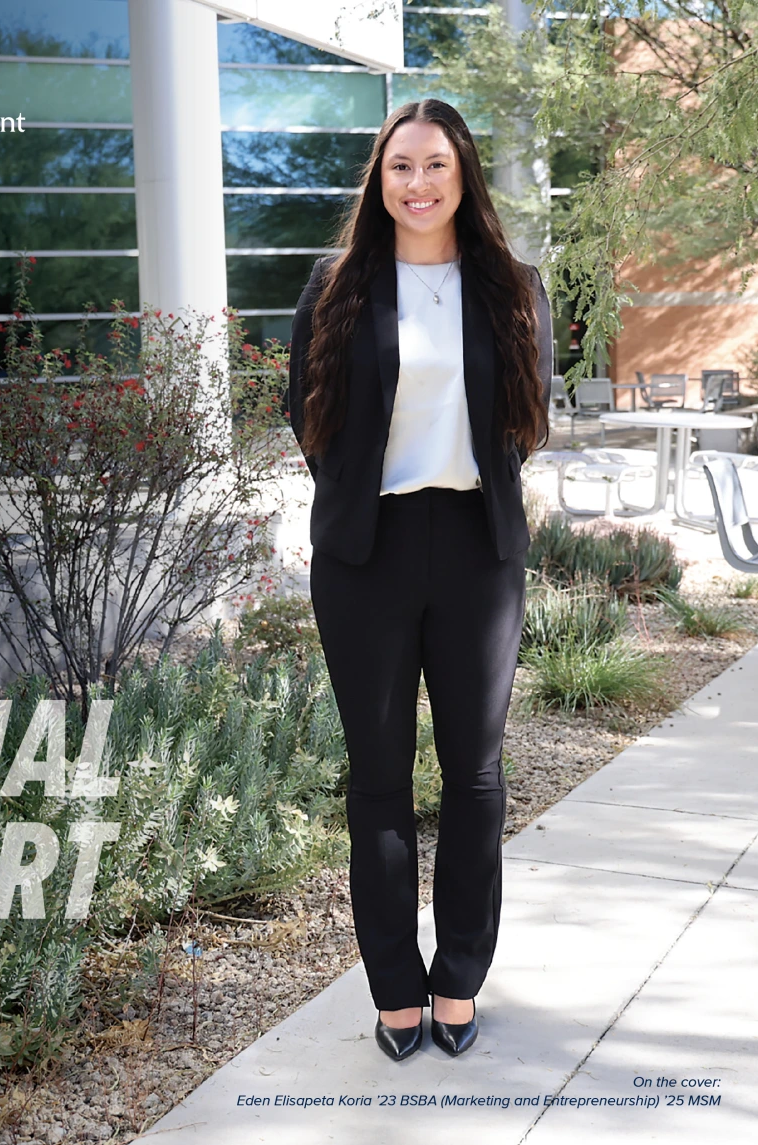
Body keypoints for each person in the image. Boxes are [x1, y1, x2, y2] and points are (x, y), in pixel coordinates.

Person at [284, 99, 552, 1061]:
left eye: (436, 164)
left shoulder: (512, 286)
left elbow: (526, 418)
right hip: (367, 552)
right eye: (402, 166)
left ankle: (459, 978)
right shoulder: (339, 282)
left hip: (479, 549)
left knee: (475, 777)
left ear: (464, 174)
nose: (419, 182)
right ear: (380, 179)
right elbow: (306, 415)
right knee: (379, 779)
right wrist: (359, 499)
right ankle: (395, 984)